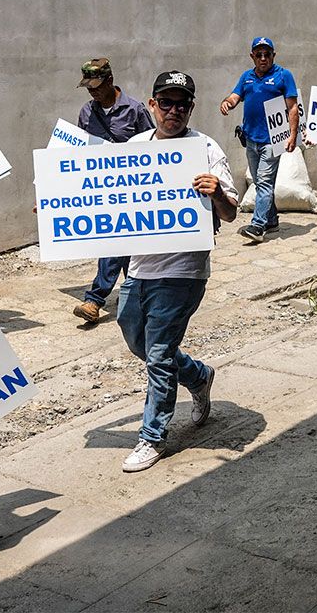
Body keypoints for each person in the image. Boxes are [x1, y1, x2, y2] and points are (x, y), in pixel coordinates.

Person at [119, 70, 238, 472]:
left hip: (183, 271)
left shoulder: (205, 148)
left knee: (157, 353)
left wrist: (217, 191)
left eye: (181, 104)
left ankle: (152, 437)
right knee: (139, 342)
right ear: (151, 105)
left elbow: (231, 213)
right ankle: (199, 376)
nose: (173, 111)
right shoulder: (134, 146)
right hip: (138, 268)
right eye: (165, 103)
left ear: (191, 108)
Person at [71, 58, 154, 325]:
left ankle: (95, 299)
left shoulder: (134, 110)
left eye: (96, 86)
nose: (92, 91)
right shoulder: (87, 112)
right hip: (102, 190)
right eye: (88, 87)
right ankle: (135, 293)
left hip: (132, 188)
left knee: (117, 240)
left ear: (110, 80)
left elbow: (152, 146)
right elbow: (78, 152)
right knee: (121, 241)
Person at [219, 36, 298, 243]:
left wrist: (292, 135)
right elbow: (235, 96)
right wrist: (227, 103)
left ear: (273, 55)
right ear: (252, 56)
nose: (263, 58)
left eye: (267, 54)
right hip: (251, 139)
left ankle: (258, 225)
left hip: (273, 140)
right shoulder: (247, 77)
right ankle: (271, 219)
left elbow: (292, 108)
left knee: (263, 181)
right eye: (259, 54)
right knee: (260, 181)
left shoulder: (283, 76)